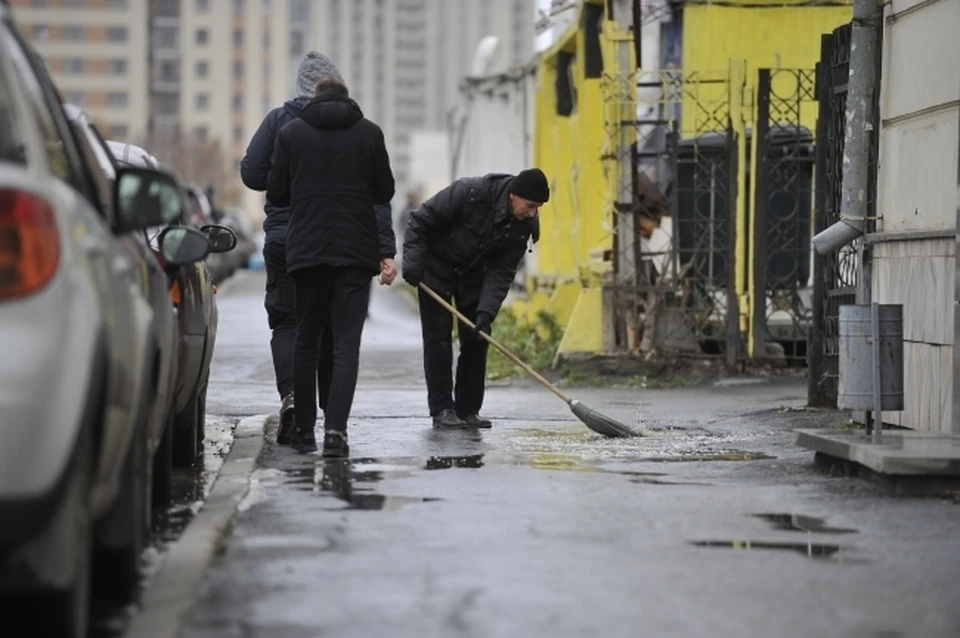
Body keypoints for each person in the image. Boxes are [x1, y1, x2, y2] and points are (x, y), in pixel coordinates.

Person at [240, 51, 396, 442]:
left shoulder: (283, 124)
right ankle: (335, 426)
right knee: (342, 338)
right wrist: (384, 249)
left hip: (293, 242)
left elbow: (259, 179)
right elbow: (382, 194)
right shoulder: (367, 131)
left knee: (294, 327)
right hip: (353, 247)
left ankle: (297, 405)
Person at [401, 169, 548, 429]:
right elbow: (420, 220)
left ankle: (468, 410)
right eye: (531, 205)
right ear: (514, 195)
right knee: (438, 340)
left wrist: (486, 311)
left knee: (477, 338)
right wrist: (413, 263)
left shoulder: (523, 225)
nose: (533, 212)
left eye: (538, 208)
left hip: (474, 278)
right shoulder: (470, 193)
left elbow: (502, 271)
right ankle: (443, 410)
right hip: (437, 270)